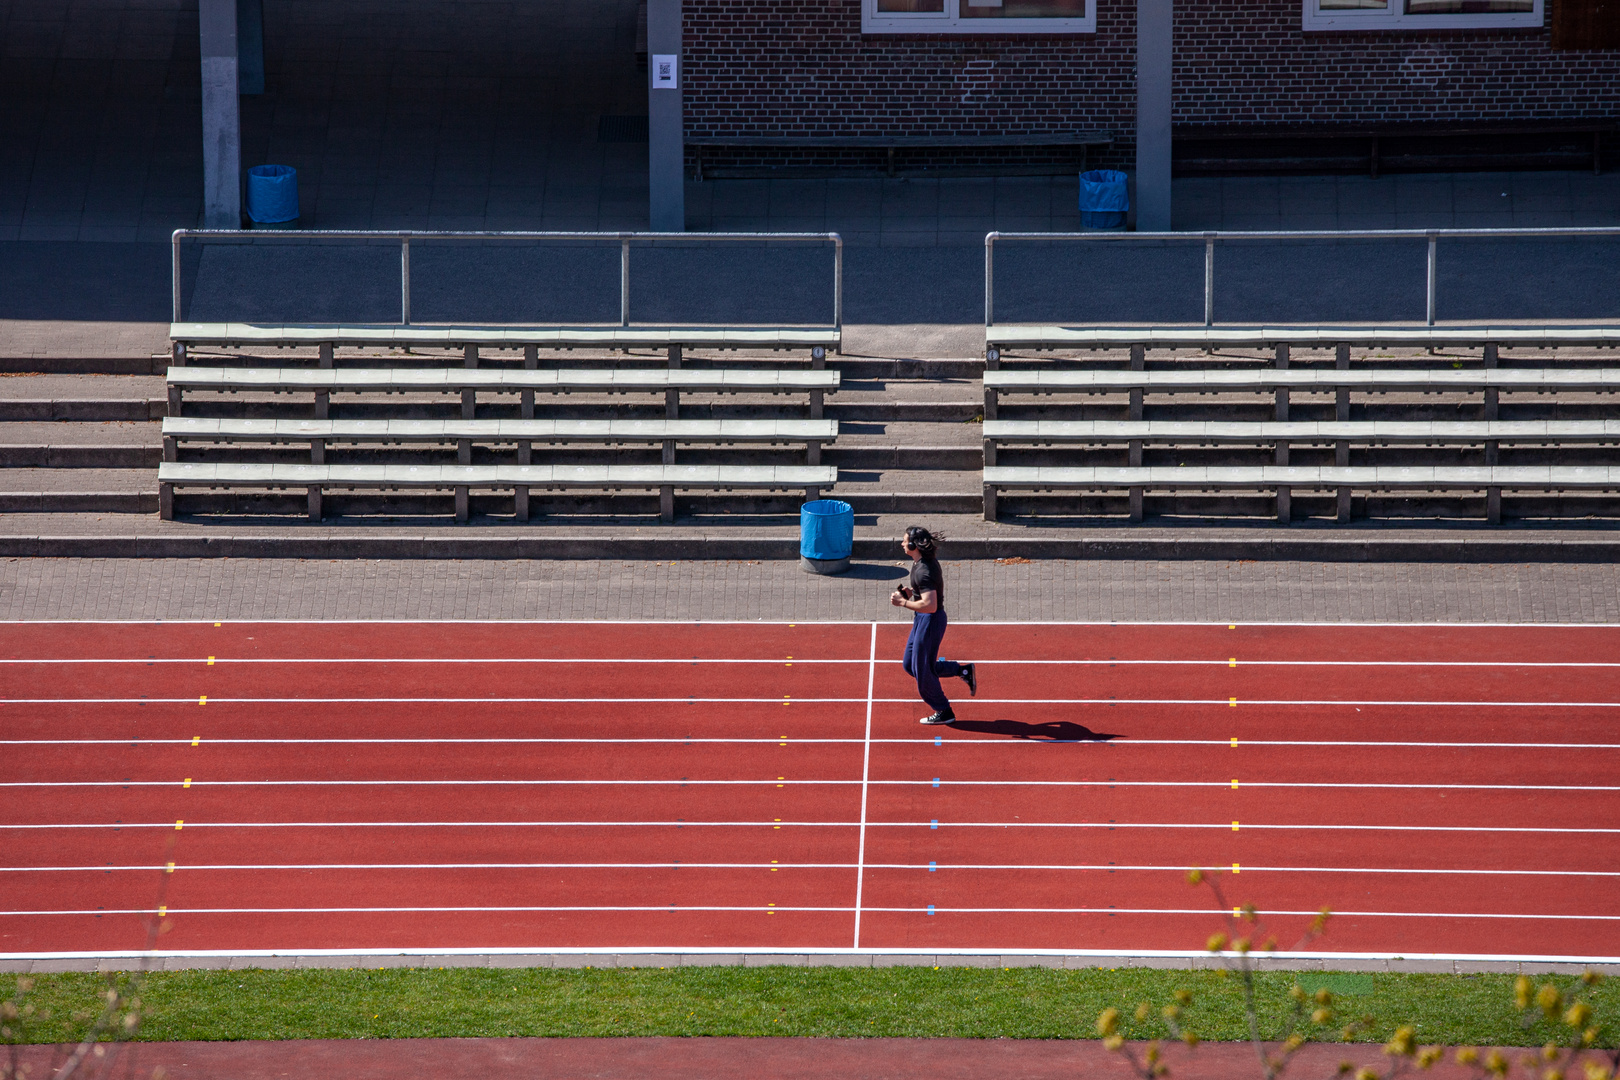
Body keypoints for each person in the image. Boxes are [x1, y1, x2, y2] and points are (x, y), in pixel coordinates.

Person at [889, 526, 976, 725]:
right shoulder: (920, 563)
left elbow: (930, 605)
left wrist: (903, 603)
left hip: (930, 620)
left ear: (913, 545)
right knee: (911, 665)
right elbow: (924, 594)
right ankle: (962, 671)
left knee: (922, 672)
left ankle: (943, 710)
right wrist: (910, 593)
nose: (902, 544)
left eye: (904, 541)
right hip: (923, 618)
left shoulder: (924, 570)